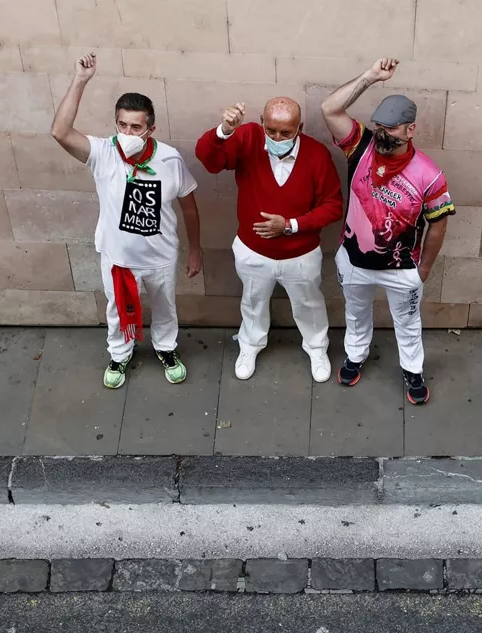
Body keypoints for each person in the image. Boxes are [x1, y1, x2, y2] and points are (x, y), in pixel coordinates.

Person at [51, 53, 202, 390]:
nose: (128, 132)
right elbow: (60, 132)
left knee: (165, 308)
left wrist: (195, 250)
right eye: (122, 125)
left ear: (151, 128)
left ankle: (166, 349)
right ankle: (120, 353)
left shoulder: (169, 159)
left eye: (136, 126)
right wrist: (80, 80)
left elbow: (189, 207)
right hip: (118, 257)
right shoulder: (103, 152)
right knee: (116, 310)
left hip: (160, 257)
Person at [320, 56, 456, 406]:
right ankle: (355, 354)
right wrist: (369, 77)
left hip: (401, 270)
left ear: (410, 129)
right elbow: (330, 109)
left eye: (392, 128)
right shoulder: (360, 146)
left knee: (407, 324)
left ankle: (412, 370)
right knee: (355, 313)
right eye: (379, 125)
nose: (382, 133)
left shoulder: (429, 173)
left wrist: (423, 269)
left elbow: (439, 222)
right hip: (353, 261)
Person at [194, 97, 343, 383]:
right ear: (262, 122)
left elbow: (333, 205)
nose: (277, 137)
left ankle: (316, 347)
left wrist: (290, 225)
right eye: (271, 130)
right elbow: (209, 161)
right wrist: (224, 131)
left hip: (301, 254)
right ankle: (250, 345)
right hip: (253, 250)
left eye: (286, 133)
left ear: (300, 127)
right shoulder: (247, 137)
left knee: (309, 303)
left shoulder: (316, 154)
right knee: (252, 302)